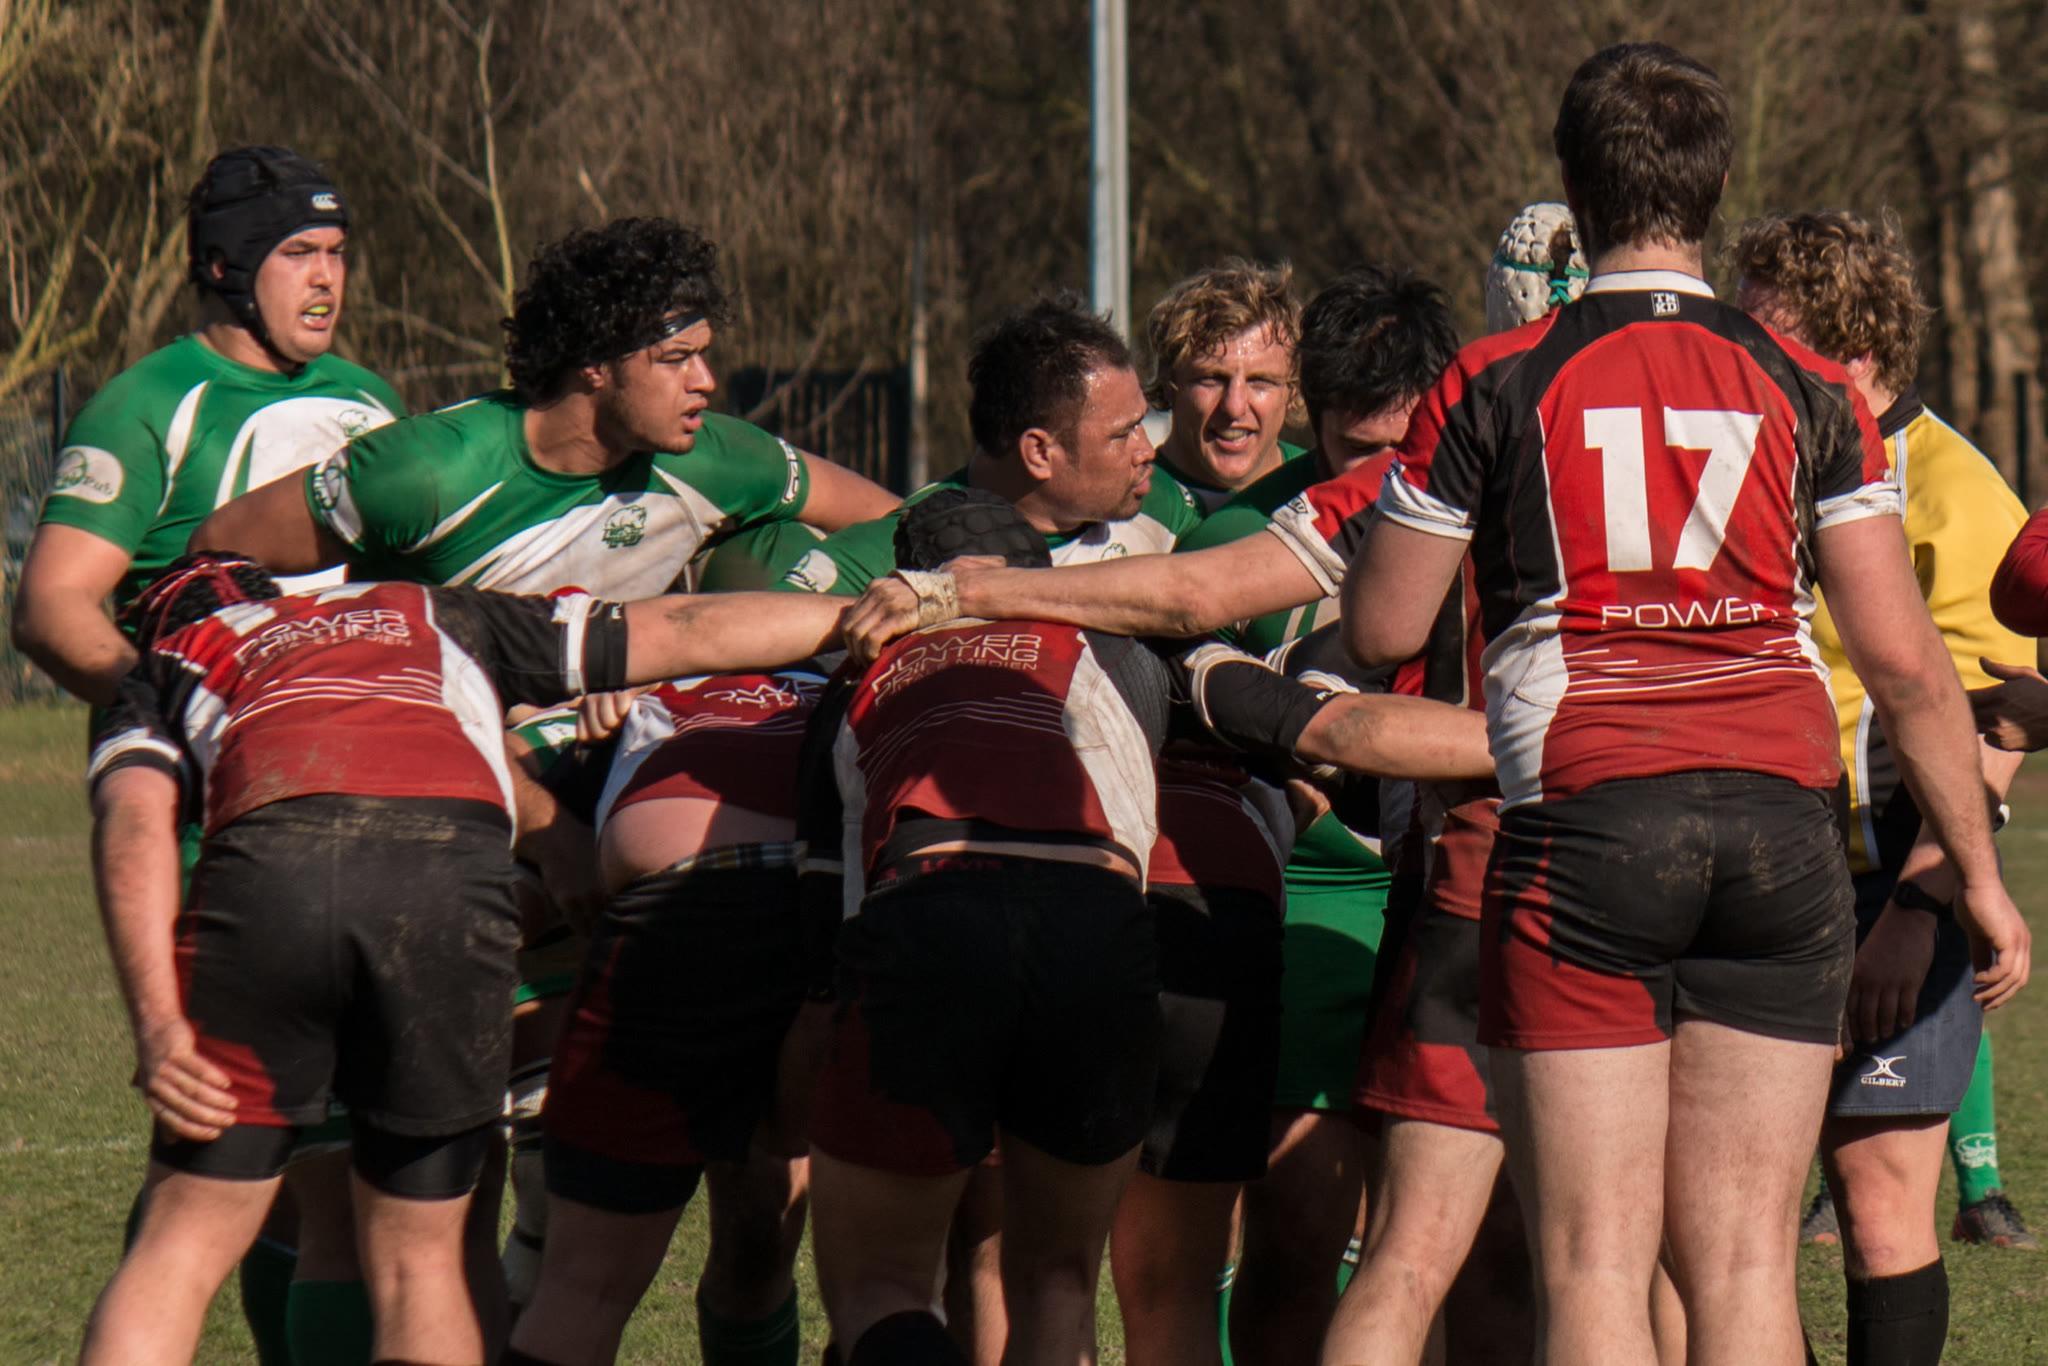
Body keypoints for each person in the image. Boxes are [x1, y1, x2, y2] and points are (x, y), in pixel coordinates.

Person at [1334, 43, 2027, 1366]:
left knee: (1596, 1266)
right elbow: (1907, 667)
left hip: (1588, 820)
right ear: (1715, 186)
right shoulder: (1815, 389)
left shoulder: (1492, 377)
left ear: (1572, 182)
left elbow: (1379, 630)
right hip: (1779, 829)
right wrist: (1979, 880)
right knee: (1746, 1265)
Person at [190, 213, 899, 1342]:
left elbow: (890, 533)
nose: (707, 381)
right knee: (401, 1206)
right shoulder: (425, 469)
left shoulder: (714, 458)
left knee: (591, 1193)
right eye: (677, 357)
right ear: (596, 366)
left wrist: (708, 653)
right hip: (426, 832)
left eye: (705, 354)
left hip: (585, 846)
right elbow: (216, 561)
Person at [75, 551, 849, 1366]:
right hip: (448, 870)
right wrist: (884, 607)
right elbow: (683, 624)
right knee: (427, 1260)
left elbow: (134, 821)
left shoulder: (167, 662)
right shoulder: (430, 611)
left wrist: (156, 1022)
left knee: (181, 1243)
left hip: (270, 864)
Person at [804, 490, 1493, 1366]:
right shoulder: (1129, 644)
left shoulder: (855, 676)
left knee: (905, 1281)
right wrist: (1568, 738)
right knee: (1090, 1280)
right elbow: (1332, 729)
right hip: (1135, 934)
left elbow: (822, 903)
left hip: (928, 921)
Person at [7, 143, 403, 1366]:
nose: (327, 279)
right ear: (227, 267)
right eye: (299, 254)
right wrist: (182, 706)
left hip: (365, 808)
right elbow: (55, 604)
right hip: (213, 826)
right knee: (263, 1169)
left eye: (337, 254)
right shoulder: (150, 404)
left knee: (296, 1176)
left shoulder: (370, 403)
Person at [1729, 208, 2037, 1362]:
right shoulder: (1742, 460)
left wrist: (1917, 905)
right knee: (1721, 1217)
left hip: (1884, 894)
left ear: (1853, 352)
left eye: (1770, 339)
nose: (1741, 360)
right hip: (1736, 883)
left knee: (1874, 1204)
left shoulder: (1951, 488)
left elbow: (1997, 723)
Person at [1175, 264, 1465, 1366]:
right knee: (1300, 1229)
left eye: (1402, 451)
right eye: (1354, 451)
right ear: (1317, 417)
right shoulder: (1242, 539)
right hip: (1313, 895)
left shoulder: (1491, 501)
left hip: (1461, 884)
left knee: (1460, 1243)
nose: (1380, 483)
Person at [500, 665, 832, 1366]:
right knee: (581, 1264)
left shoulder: (860, 680)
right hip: (683, 937)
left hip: (814, 941)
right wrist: (558, 847)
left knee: (761, 1235)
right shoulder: (626, 706)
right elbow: (492, 766)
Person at [775, 294, 1203, 600]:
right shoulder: (897, 551)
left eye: (1141, 423)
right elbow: (769, 638)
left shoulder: (1159, 502)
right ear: (1039, 454)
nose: (1147, 450)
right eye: (1123, 433)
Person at [1143, 260, 1304, 510]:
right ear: (1169, 385)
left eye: (1259, 381)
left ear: (1293, 390)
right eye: (1211, 380)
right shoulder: (1122, 512)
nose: (1234, 407)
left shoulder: (1328, 489)